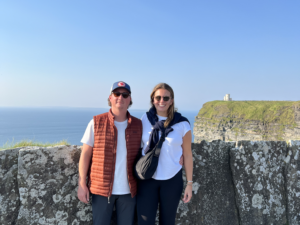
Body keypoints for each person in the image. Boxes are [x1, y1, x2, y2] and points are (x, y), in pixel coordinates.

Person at [77, 81, 142, 225]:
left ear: (130, 99)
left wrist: (179, 154)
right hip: (101, 190)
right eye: (116, 94)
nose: (120, 97)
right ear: (110, 97)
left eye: (125, 95)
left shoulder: (138, 125)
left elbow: (150, 148)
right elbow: (85, 155)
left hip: (129, 192)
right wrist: (82, 183)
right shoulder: (96, 122)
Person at [137, 83, 193, 225]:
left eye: (166, 98)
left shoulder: (182, 124)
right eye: (158, 97)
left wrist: (189, 184)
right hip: (147, 178)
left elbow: (187, 154)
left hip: (172, 179)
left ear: (172, 100)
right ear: (153, 99)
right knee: (144, 222)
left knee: (167, 222)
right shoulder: (144, 119)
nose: (161, 101)